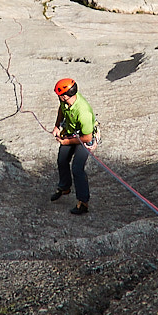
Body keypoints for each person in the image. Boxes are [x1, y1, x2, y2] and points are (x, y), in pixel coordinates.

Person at [50, 76, 96, 214]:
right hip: (71, 132)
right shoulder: (66, 101)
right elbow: (61, 110)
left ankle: (83, 203)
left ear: (65, 96)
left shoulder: (83, 112)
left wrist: (66, 142)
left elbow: (86, 137)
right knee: (62, 159)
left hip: (85, 138)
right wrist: (57, 126)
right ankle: (64, 187)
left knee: (77, 168)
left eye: (59, 95)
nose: (59, 97)